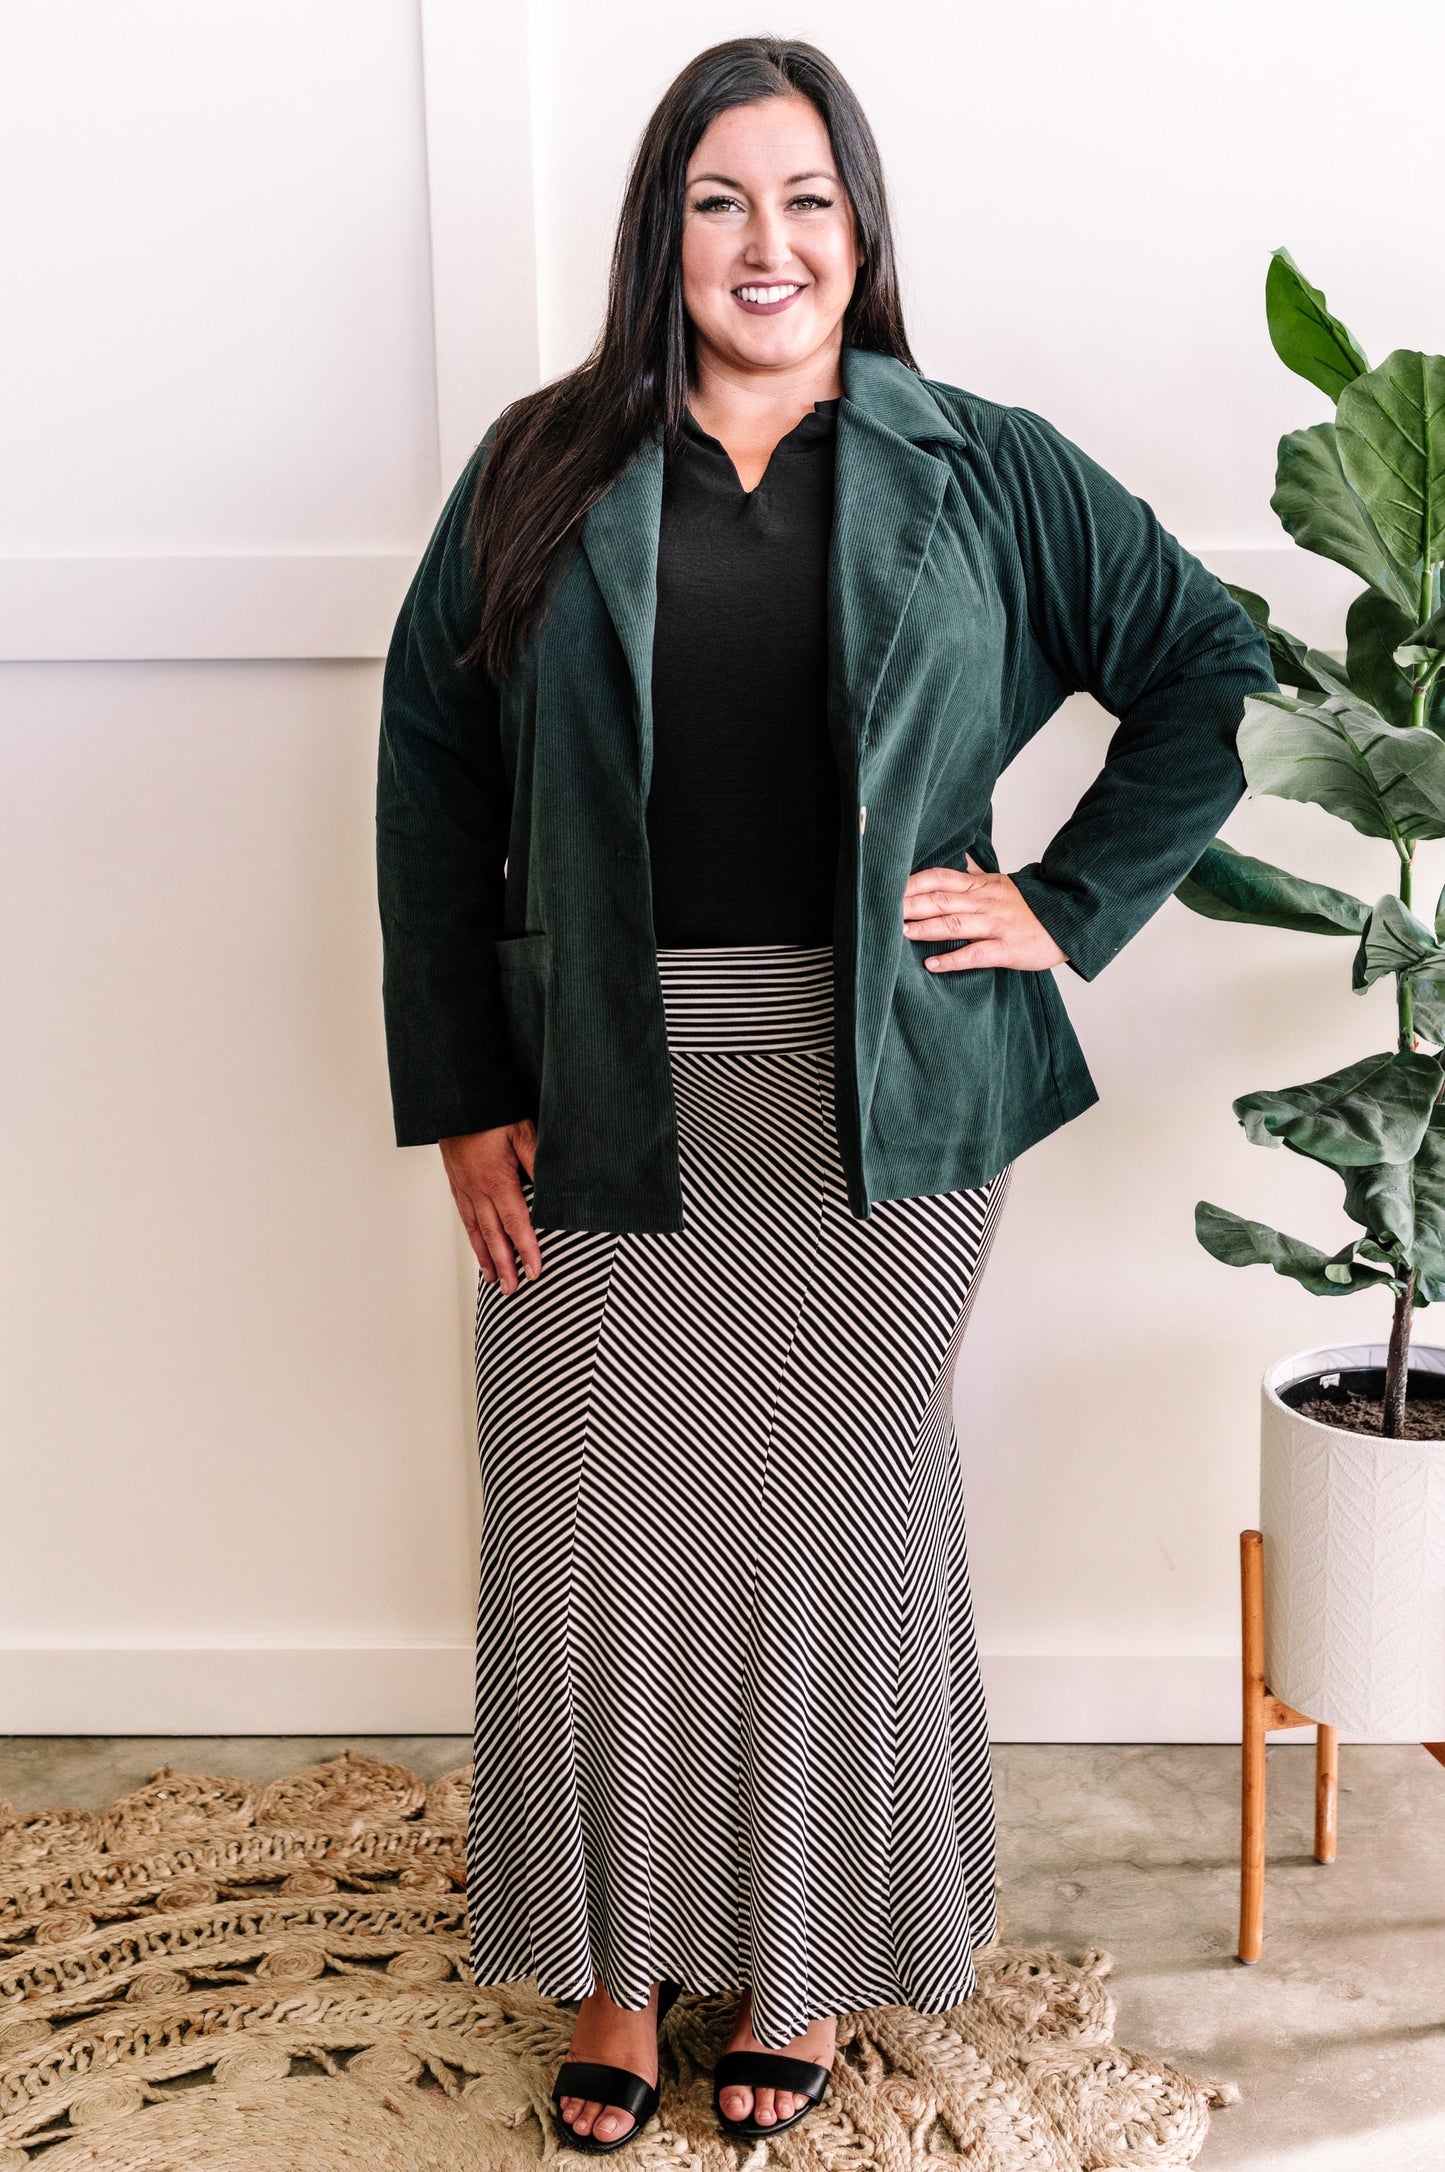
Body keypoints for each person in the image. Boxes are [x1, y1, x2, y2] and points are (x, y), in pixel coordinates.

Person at [375, 34, 1275, 2155]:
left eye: (804, 200)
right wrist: (459, 1093)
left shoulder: (983, 462)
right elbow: (430, 773)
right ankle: (609, 1976)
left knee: (827, 1529)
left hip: (878, 1086)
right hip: (602, 1061)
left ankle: (794, 1960)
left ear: (859, 228)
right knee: (584, 1521)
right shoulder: (539, 467)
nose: (763, 244)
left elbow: (1206, 661)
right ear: (658, 230)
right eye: (717, 200)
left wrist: (1061, 900)